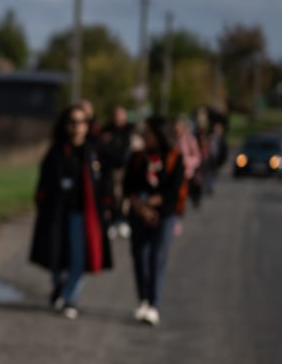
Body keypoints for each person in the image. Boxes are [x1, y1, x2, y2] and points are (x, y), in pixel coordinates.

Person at [29, 103, 112, 320]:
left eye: (82, 122)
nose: (77, 127)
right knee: (57, 257)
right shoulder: (56, 152)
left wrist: (107, 204)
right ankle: (59, 286)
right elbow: (43, 185)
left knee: (79, 259)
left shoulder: (92, 152)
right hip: (58, 215)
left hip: (83, 215)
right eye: (73, 122)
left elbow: (106, 179)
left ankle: (70, 298)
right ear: (66, 125)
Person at [123, 115, 185, 327]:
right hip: (139, 214)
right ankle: (143, 299)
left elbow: (173, 190)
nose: (145, 137)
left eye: (148, 133)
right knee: (141, 257)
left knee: (157, 258)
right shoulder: (138, 158)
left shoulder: (174, 158)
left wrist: (153, 206)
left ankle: (154, 304)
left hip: (164, 215)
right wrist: (142, 208)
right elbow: (127, 187)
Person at [98, 105, 134, 239]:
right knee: (109, 195)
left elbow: (124, 155)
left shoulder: (128, 132)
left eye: (120, 115)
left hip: (123, 170)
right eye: (116, 115)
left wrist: (112, 154)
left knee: (122, 196)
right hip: (108, 170)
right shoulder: (106, 131)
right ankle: (112, 221)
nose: (118, 118)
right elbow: (101, 150)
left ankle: (122, 220)